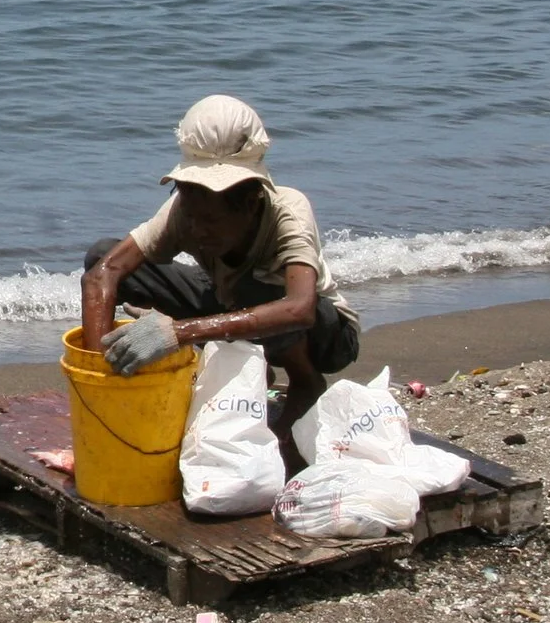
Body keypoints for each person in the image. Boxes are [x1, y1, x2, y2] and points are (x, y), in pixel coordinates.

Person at [79, 94, 360, 429]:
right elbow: (102, 274)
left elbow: (300, 308)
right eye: (192, 216)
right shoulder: (184, 210)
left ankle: (305, 381)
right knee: (103, 254)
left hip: (325, 335)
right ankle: (252, 366)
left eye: (210, 220)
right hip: (228, 305)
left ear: (250, 205)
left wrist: (177, 333)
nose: (197, 230)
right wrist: (99, 380)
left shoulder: (287, 210)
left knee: (257, 290)